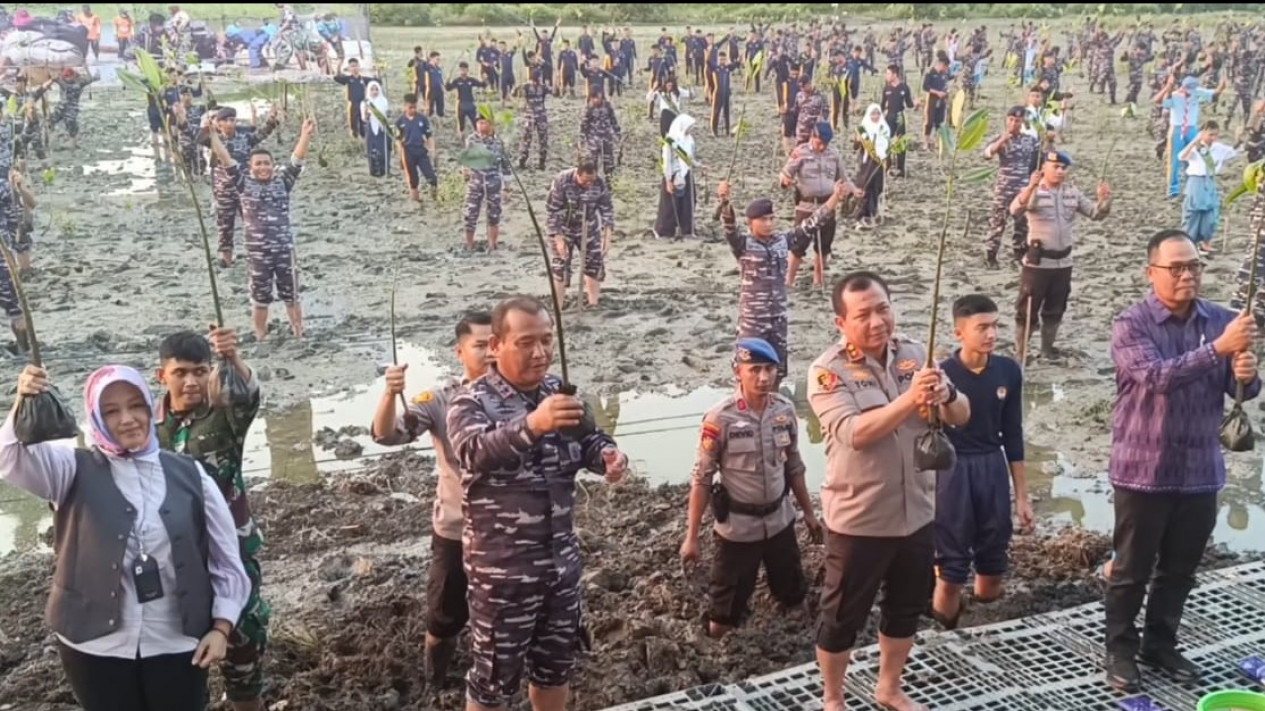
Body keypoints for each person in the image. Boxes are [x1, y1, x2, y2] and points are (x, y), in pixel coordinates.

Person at [1, 364, 250, 711]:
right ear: (96, 419)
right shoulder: (69, 469)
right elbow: (10, 456)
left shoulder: (192, 475)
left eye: (136, 406)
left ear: (150, 407)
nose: (128, 419)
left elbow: (226, 561)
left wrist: (221, 628)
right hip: (93, 647)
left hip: (177, 642)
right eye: (111, 411)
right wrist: (22, 401)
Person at [447, 295, 629, 711]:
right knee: (493, 683)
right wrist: (533, 424)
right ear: (495, 346)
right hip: (503, 576)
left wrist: (608, 457)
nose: (541, 352)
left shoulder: (556, 393)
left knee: (555, 670)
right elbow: (473, 453)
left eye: (546, 340)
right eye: (527, 342)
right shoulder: (471, 401)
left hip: (560, 567)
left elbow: (589, 439)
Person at [1104, 229, 1260, 691]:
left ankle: (1161, 643)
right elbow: (1155, 378)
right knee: (1131, 570)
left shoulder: (1223, 320)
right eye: (1176, 268)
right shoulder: (1130, 324)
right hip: (1143, 468)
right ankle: (1120, 652)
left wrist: (1247, 376)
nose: (1187, 275)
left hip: (1199, 470)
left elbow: (1241, 391)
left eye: (1194, 265)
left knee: (1180, 568)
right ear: (1151, 273)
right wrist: (1219, 350)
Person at [807, 271, 971, 711]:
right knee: (842, 617)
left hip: (917, 511)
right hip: (859, 518)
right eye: (863, 314)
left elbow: (961, 414)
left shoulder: (916, 354)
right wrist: (909, 400)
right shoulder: (827, 372)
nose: (878, 321)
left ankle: (889, 687)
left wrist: (945, 394)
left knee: (905, 608)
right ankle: (833, 697)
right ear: (841, 323)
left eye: (884, 308)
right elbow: (855, 432)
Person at [372, 311, 492, 687]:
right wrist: (391, 393)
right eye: (480, 345)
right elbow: (387, 435)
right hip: (457, 528)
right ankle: (434, 682)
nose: (490, 353)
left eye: (495, 344)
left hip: (507, 533)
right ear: (460, 351)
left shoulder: (522, 396)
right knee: (443, 616)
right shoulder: (441, 400)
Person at [154, 328, 268, 711]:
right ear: (162, 376)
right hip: (172, 559)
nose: (191, 382)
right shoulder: (146, 426)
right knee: (180, 656)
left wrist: (232, 358)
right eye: (181, 372)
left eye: (200, 372)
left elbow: (249, 397)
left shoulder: (224, 414)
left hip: (233, 551)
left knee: (244, 650)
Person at [681, 337, 822, 638]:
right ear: (738, 372)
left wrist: (808, 513)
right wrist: (691, 537)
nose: (763, 377)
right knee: (722, 616)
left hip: (780, 523)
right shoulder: (721, 418)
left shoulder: (784, 410)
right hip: (738, 531)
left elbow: (794, 465)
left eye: (770, 369)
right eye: (755, 369)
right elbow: (702, 478)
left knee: (794, 597)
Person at [930, 294, 1032, 630]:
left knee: (993, 559)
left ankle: (986, 619)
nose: (991, 334)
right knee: (951, 567)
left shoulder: (1007, 370)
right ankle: (944, 629)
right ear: (959, 332)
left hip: (992, 465)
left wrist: (1022, 496)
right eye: (982, 327)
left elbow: (1013, 434)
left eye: (995, 326)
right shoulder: (941, 374)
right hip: (953, 471)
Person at [716, 178, 850, 382]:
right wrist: (725, 201)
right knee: (748, 372)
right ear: (750, 222)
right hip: (752, 321)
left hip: (777, 319)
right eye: (763, 220)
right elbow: (729, 227)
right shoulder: (743, 245)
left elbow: (813, 223)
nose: (769, 224)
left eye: (771, 218)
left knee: (776, 371)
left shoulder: (782, 241)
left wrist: (835, 198)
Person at [208, 117, 316, 341]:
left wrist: (305, 134)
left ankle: (298, 329)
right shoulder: (244, 184)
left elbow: (297, 159)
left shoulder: (283, 182)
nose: (263, 167)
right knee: (260, 297)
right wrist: (213, 137)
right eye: (258, 164)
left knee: (292, 294)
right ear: (251, 167)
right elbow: (226, 159)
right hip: (258, 253)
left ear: (272, 165)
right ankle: (260, 333)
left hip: (284, 250)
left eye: (267, 163)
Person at [1010, 150, 1111, 361]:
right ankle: (1021, 353)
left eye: (1063, 168)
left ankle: (1047, 349)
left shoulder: (1072, 193)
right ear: (1044, 168)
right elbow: (1015, 210)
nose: (1060, 171)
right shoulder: (1035, 191)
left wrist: (1104, 200)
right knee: (1027, 310)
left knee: (1056, 309)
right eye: (1055, 167)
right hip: (1038, 263)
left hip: (1063, 263)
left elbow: (1096, 214)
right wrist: (1030, 186)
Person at [780, 122, 864, 288]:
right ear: (813, 137)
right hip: (806, 205)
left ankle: (818, 279)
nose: (822, 147)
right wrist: (785, 180)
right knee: (798, 244)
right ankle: (788, 280)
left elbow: (843, 178)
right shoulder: (800, 152)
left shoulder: (833, 154)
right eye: (819, 143)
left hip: (828, 204)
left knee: (824, 245)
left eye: (825, 144)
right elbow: (784, 174)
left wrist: (854, 190)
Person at [196, 104, 280, 267]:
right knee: (225, 225)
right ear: (219, 124)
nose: (230, 123)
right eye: (225, 120)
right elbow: (198, 139)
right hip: (223, 190)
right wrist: (206, 128)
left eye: (232, 120)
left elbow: (261, 134)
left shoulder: (244, 138)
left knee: (252, 222)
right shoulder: (215, 140)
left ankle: (257, 254)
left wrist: (272, 120)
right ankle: (226, 257)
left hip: (244, 189)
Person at [546, 160, 614, 309]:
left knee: (593, 263)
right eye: (585, 181)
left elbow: (607, 209)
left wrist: (607, 237)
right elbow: (553, 211)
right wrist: (558, 238)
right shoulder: (562, 180)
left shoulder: (600, 183)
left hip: (589, 226)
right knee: (561, 264)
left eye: (592, 181)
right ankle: (558, 305)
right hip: (564, 227)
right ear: (578, 174)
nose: (589, 184)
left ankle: (593, 303)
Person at [984, 106, 1042, 267]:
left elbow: (1039, 159)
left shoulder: (1030, 140)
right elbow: (987, 154)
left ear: (1022, 122)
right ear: (1006, 120)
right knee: (998, 221)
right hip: (1004, 187)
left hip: (1023, 187)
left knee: (1022, 222)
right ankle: (991, 255)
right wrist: (1003, 140)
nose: (1014, 123)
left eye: (1017, 120)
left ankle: (1019, 252)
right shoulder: (999, 138)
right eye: (1011, 120)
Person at [1156, 74, 1224, 199]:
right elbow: (1159, 101)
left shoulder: (1198, 93)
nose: (1191, 93)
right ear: (1183, 87)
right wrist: (1168, 88)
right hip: (1177, 129)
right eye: (1189, 90)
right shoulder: (1175, 95)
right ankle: (1173, 189)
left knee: (1193, 158)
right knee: (1175, 161)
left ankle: (1190, 187)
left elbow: (1215, 94)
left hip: (1191, 129)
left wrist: (1223, 84)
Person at [1178, 120, 1237, 254]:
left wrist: (1237, 137)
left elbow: (1234, 152)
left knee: (1210, 213)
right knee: (1193, 213)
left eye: (1216, 135)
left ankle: (1206, 243)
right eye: (1210, 135)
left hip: (1210, 181)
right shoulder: (1196, 147)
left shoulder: (1218, 147)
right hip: (1196, 181)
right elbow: (1181, 157)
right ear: (1203, 134)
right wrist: (1194, 141)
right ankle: (1189, 244)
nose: (1213, 138)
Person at [462, 115, 511, 252]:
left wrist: (507, 188)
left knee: (493, 215)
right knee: (470, 214)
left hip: (493, 181)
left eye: (484, 123)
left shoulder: (498, 143)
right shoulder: (472, 140)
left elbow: (506, 166)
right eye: (479, 123)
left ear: (491, 125)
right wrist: (465, 170)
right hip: (476, 181)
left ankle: (492, 245)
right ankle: (469, 245)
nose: (481, 126)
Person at [656, 113, 699, 240]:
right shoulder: (670, 141)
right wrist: (668, 180)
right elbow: (667, 161)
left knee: (688, 203)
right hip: (673, 175)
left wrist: (699, 166)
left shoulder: (689, 139)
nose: (690, 130)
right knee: (670, 205)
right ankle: (665, 230)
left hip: (686, 174)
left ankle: (687, 229)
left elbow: (689, 157)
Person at [853, 104, 890, 229]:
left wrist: (882, 155)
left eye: (877, 114)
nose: (875, 116)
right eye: (873, 114)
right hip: (866, 162)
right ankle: (861, 214)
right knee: (865, 185)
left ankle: (873, 212)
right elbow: (856, 146)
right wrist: (858, 139)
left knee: (876, 186)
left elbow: (886, 145)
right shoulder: (863, 128)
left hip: (879, 162)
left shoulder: (884, 127)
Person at [396, 94, 438, 202]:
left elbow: (429, 135)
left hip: (421, 151)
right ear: (405, 106)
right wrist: (401, 155)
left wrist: (433, 150)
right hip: (408, 152)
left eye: (415, 107)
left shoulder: (422, 119)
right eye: (410, 107)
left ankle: (435, 198)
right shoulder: (400, 121)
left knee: (431, 177)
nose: (413, 110)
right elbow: (398, 140)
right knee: (413, 180)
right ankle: (416, 201)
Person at [880, 64, 915, 178]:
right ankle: (888, 166)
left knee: (901, 143)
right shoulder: (886, 88)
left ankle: (900, 168)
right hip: (888, 116)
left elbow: (909, 104)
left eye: (889, 73)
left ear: (895, 75)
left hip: (900, 116)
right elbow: (882, 105)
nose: (887, 76)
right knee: (887, 142)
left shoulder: (904, 88)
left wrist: (916, 104)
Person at [580, 92, 620, 177]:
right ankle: (593, 184)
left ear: (601, 96)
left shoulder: (607, 106)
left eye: (597, 97)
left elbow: (613, 120)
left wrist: (618, 134)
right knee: (592, 163)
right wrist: (582, 140)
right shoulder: (589, 108)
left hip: (607, 138)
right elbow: (584, 125)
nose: (595, 100)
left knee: (608, 162)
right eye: (593, 98)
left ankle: (610, 183)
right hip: (593, 139)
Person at [517, 68, 550, 171]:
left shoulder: (542, 87)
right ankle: (523, 160)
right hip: (531, 115)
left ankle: (541, 162)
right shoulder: (526, 87)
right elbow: (520, 97)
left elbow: (552, 91)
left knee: (542, 139)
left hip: (539, 115)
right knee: (527, 139)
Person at [447, 62, 486, 142]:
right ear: (459, 70)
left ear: (467, 70)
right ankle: (461, 141)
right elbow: (448, 88)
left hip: (470, 105)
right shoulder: (457, 81)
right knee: (461, 125)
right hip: (461, 105)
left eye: (465, 69)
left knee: (475, 123)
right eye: (462, 70)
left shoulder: (471, 80)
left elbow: (482, 85)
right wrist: (448, 80)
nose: (463, 71)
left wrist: (484, 78)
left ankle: (479, 139)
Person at [334, 58, 372, 140]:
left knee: (363, 120)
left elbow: (376, 81)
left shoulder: (363, 79)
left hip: (363, 104)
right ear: (349, 68)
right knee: (353, 121)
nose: (354, 68)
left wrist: (378, 71)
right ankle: (354, 138)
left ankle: (364, 137)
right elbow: (337, 78)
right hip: (352, 104)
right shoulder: (348, 79)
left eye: (355, 66)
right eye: (352, 66)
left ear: (358, 66)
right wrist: (338, 66)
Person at [361, 81, 391, 178]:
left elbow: (386, 115)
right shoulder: (365, 103)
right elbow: (363, 118)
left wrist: (388, 114)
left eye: (376, 89)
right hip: (370, 127)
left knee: (383, 149)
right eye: (372, 89)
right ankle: (373, 171)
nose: (374, 92)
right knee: (371, 150)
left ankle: (384, 169)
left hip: (382, 127)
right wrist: (366, 114)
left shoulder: (384, 101)